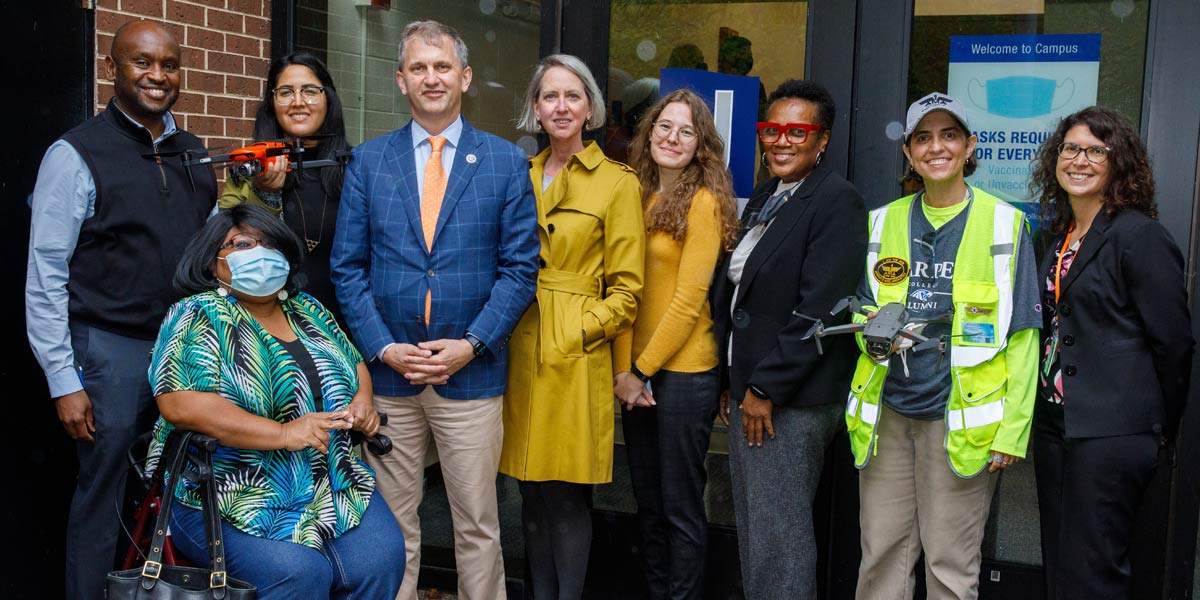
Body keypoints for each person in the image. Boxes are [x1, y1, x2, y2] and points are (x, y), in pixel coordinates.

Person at [330, 20, 540, 600]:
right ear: (400, 80)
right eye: (418, 68)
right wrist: (382, 347)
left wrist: (471, 343)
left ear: (465, 77)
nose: (431, 77)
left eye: (442, 66)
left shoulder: (503, 162)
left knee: (477, 525)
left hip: (470, 375)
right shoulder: (369, 162)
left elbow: (521, 271)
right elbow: (347, 269)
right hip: (391, 377)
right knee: (391, 526)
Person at [24, 20, 217, 599]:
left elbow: (211, 253)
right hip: (109, 352)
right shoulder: (76, 153)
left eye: (169, 64)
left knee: (181, 487)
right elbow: (45, 275)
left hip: (183, 349)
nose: (158, 75)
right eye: (142, 62)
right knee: (104, 495)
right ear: (113, 68)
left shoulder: (195, 155)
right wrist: (64, 379)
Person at [147, 203, 405, 599]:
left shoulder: (309, 309)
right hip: (229, 489)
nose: (260, 253)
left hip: (330, 480)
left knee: (380, 558)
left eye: (271, 245)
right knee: (299, 575)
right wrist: (283, 433)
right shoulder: (197, 314)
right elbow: (180, 404)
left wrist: (363, 404)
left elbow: (355, 364)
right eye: (243, 243)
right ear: (212, 261)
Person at [849, 92, 1039, 599]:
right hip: (889, 414)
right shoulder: (881, 221)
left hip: (958, 420)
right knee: (880, 557)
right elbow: (863, 304)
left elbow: (1023, 335)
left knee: (951, 568)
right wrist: (870, 324)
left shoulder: (1006, 224)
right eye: (923, 138)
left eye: (949, 135)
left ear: (970, 146)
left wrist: (1012, 432)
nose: (937, 147)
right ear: (909, 154)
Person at [710, 79, 866, 599]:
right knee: (759, 531)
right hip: (755, 390)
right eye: (771, 129)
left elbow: (819, 311)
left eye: (796, 131)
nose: (781, 141)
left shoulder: (836, 201)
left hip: (789, 401)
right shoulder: (768, 194)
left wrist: (765, 389)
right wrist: (736, 381)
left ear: (821, 140)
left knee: (779, 538)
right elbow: (745, 297)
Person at [1030, 106, 1193, 599]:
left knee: (1093, 574)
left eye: (1095, 151)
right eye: (1071, 148)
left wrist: (1154, 425)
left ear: (1118, 161)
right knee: (1060, 565)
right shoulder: (1059, 236)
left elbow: (1175, 344)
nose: (1079, 160)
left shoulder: (1139, 236)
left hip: (1113, 432)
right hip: (1057, 425)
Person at [500, 53, 645, 599]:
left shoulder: (616, 182)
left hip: (574, 352)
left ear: (590, 108)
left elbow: (628, 290)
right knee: (527, 492)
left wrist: (578, 329)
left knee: (565, 495)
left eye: (572, 96)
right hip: (517, 347)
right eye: (549, 97)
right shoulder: (521, 174)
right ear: (535, 109)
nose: (561, 107)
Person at [612, 88, 738, 600]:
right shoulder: (634, 194)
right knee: (648, 503)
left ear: (700, 145)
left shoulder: (704, 202)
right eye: (665, 126)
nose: (673, 138)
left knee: (681, 506)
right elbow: (619, 287)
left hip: (685, 372)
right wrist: (625, 372)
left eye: (687, 131)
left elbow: (688, 301)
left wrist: (639, 371)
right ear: (649, 132)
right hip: (634, 373)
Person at [219, 52, 352, 328]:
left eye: (310, 91)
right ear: (273, 102)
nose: (298, 102)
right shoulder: (248, 168)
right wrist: (264, 195)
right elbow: (229, 255)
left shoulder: (354, 167)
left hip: (345, 326)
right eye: (286, 92)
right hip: (270, 329)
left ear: (328, 98)